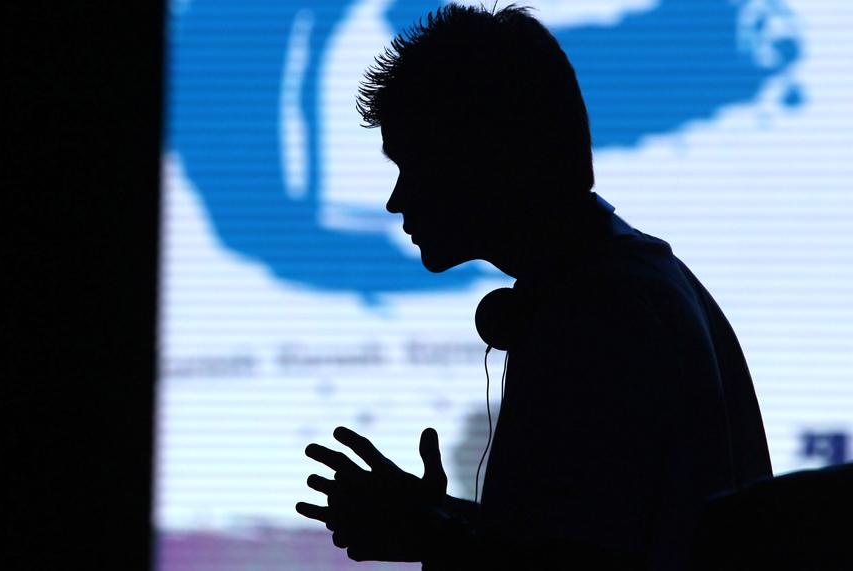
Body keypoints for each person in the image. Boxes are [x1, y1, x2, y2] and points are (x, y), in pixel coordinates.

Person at [296, 4, 772, 569]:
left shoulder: (595, 318)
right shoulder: (635, 286)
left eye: (412, 164)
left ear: (484, 157)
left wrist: (426, 533)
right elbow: (581, 536)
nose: (396, 200)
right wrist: (437, 521)